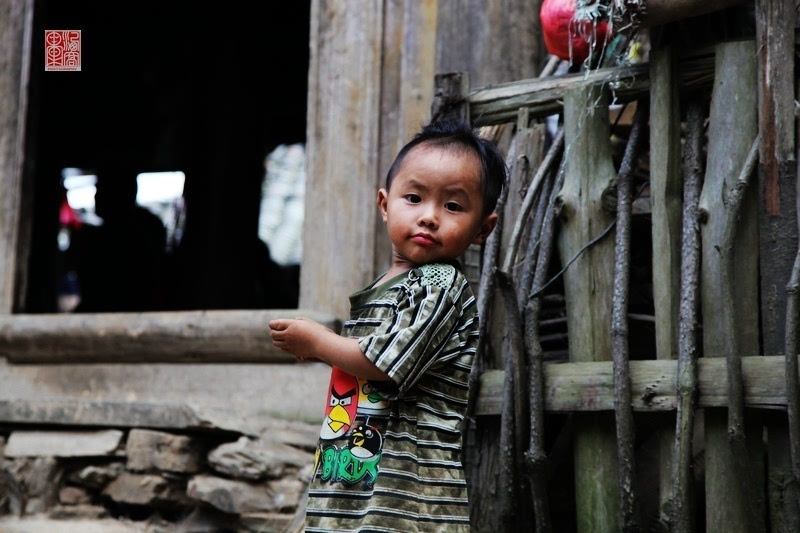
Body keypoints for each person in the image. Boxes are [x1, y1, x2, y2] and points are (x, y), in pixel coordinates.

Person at [269, 119, 505, 531]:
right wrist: (321, 348)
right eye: (413, 198)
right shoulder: (388, 287)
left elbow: (383, 366)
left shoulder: (438, 284)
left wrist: (320, 341)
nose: (429, 217)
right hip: (357, 479)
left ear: (483, 228)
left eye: (452, 206)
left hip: (406, 495)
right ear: (384, 204)